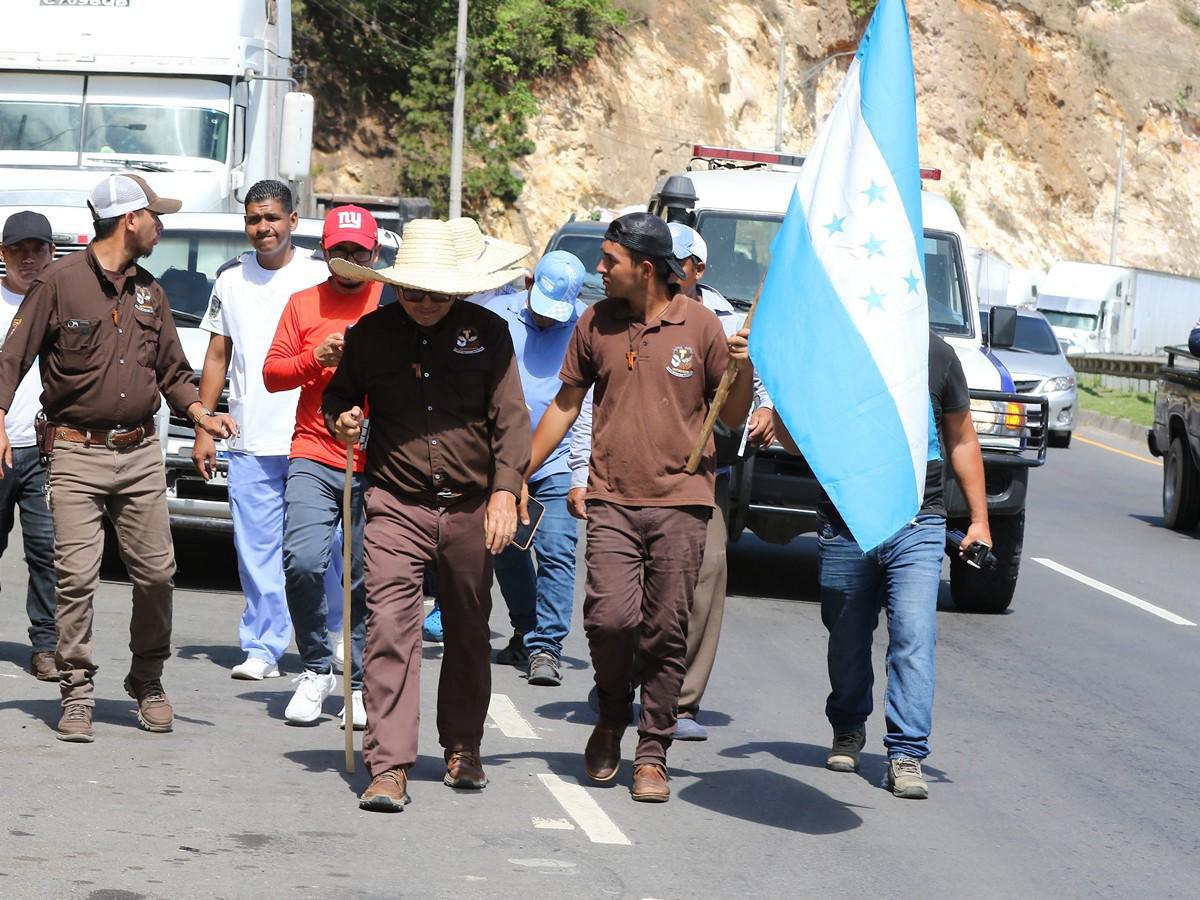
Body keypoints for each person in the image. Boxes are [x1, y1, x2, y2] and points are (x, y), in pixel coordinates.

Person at [523, 212, 754, 803]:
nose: (600, 270)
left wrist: (742, 367)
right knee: (608, 620)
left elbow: (731, 419)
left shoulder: (701, 326)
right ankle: (609, 715)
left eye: (609, 261)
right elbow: (565, 406)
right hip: (611, 501)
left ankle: (652, 751)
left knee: (664, 630)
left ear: (644, 269)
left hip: (682, 502)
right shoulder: (594, 324)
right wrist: (515, 472)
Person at [0, 173, 237, 742]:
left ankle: (147, 678)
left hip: (139, 455)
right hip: (76, 453)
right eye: (156, 215)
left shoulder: (151, 292)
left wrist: (201, 414)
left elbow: (175, 374)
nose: (161, 225)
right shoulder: (57, 284)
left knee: (157, 574)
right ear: (130, 218)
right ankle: (76, 689)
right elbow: (11, 359)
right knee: (76, 577)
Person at [322, 217, 529, 813]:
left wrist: (504, 493)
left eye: (439, 293)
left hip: (472, 507)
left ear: (459, 290)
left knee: (468, 628)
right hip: (395, 501)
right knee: (390, 627)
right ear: (398, 286)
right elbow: (340, 394)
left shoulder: (490, 334)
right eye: (414, 290)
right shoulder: (370, 334)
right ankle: (387, 765)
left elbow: (511, 419)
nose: (426, 302)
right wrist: (344, 417)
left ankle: (463, 746)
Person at [774, 331, 991, 800]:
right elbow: (792, 442)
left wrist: (979, 520)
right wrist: (787, 388)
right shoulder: (834, 346)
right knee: (846, 636)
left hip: (919, 521)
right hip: (846, 519)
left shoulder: (937, 355)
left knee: (913, 635)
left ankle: (907, 751)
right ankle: (849, 724)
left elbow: (961, 437)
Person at [192, 179, 344, 681]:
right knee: (255, 551)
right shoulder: (230, 281)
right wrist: (205, 425)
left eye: (272, 218)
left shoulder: (321, 277)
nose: (263, 228)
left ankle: (334, 636)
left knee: (323, 551)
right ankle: (263, 646)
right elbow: (218, 355)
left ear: (293, 222)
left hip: (315, 440)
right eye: (254, 220)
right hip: (251, 439)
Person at [263, 205, 383, 729]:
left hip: (376, 459)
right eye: (340, 250)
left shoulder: (393, 303)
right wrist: (317, 357)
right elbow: (272, 375)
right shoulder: (302, 303)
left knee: (364, 574)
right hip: (313, 450)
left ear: (375, 253)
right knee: (304, 561)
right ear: (326, 253)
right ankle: (315, 667)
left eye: (359, 250)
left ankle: (357, 680)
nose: (350, 259)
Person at [483, 250, 588, 686]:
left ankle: (547, 648)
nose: (547, 322)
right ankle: (526, 629)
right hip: (498, 455)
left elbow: (585, 408)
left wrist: (578, 475)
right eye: (542, 312)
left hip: (557, 459)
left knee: (557, 549)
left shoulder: (588, 328)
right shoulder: (493, 317)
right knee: (504, 545)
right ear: (528, 285)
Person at [0, 212, 58, 681]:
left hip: (47, 451)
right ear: (3, 256)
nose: (29, 259)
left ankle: (46, 644)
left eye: (38, 249)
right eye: (19, 251)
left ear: (52, 254)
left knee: (48, 550)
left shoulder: (62, 304)